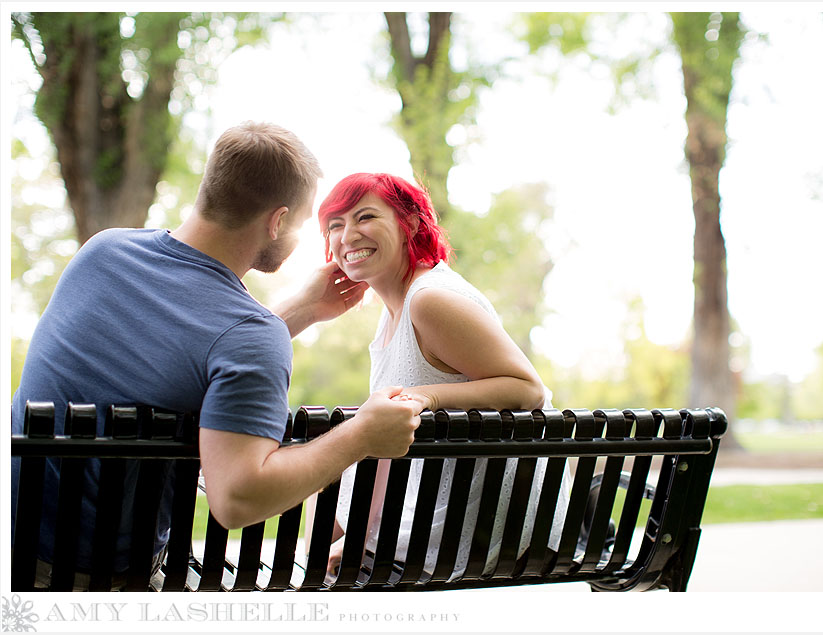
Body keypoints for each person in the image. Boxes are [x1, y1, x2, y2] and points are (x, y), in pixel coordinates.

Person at [10, 122, 422, 590]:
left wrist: (300, 309)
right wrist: (362, 435)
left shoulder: (101, 252)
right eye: (305, 223)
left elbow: (183, 353)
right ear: (277, 221)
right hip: (95, 579)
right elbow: (237, 499)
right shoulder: (248, 334)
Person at [316, 172, 570, 581]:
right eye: (334, 225)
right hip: (446, 527)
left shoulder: (430, 300)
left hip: (476, 536)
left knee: (313, 537)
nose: (348, 235)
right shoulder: (392, 315)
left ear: (410, 224)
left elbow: (529, 389)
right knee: (320, 531)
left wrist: (426, 397)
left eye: (364, 217)